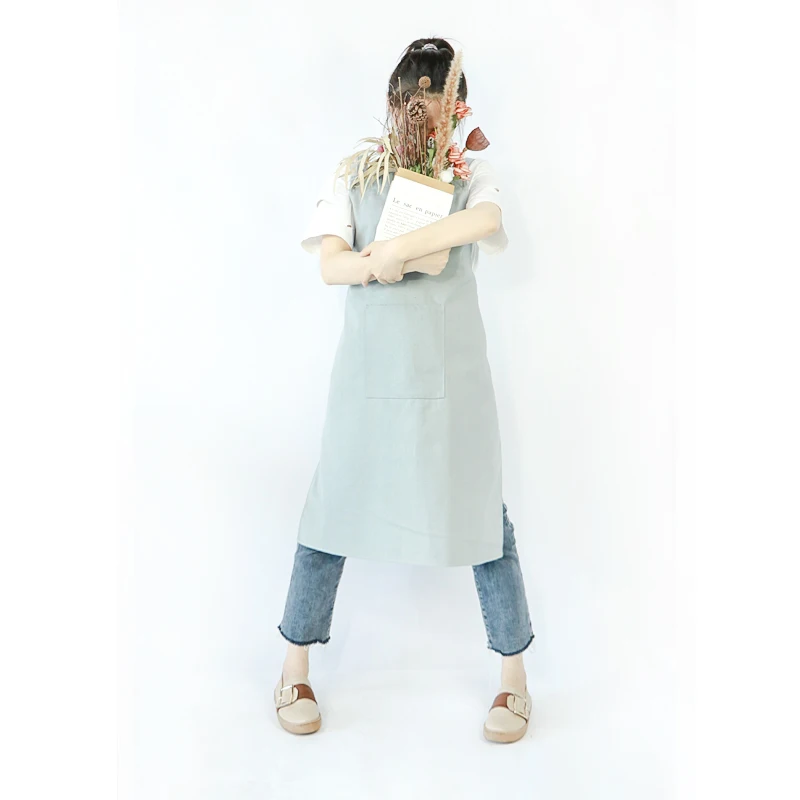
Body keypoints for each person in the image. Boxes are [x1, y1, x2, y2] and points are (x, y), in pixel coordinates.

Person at [273, 37, 535, 744]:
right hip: (369, 379)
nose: (423, 114)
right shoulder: (356, 173)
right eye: (411, 101)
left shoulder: (471, 177)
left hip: (450, 386)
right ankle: (294, 666)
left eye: (437, 102)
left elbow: (486, 222)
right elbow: (330, 264)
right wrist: (375, 264)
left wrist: (401, 247)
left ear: (458, 109)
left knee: (483, 519)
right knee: (329, 515)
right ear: (394, 105)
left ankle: (513, 680)